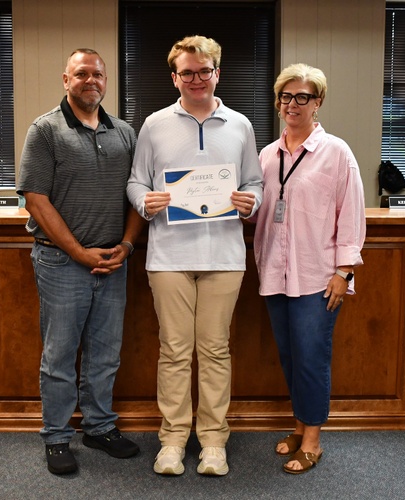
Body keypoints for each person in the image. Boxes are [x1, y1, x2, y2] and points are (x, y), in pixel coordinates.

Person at [127, 35, 263, 476]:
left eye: (205, 71)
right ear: (175, 78)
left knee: (215, 350)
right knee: (174, 351)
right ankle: (171, 441)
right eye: (187, 72)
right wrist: (143, 200)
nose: (197, 79)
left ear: (217, 73)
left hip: (224, 256)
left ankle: (213, 442)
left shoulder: (240, 125)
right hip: (169, 256)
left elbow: (255, 183)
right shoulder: (154, 124)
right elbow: (136, 181)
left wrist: (251, 202)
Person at [17, 48, 143, 475]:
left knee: (105, 353)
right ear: (66, 79)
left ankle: (99, 426)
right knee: (60, 355)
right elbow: (35, 199)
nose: (91, 80)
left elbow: (136, 195)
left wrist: (126, 246)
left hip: (113, 261)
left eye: (98, 74)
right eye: (81, 74)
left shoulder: (124, 132)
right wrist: (77, 251)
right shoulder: (46, 130)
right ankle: (56, 437)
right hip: (61, 264)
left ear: (106, 81)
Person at [252, 63, 366, 474]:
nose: (292, 104)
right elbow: (259, 214)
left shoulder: (337, 152)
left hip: (318, 276)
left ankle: (313, 441)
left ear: (317, 102)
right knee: (289, 357)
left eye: (303, 97)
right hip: (275, 273)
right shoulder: (267, 155)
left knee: (312, 357)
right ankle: (300, 428)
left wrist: (344, 272)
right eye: (286, 96)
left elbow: (351, 216)